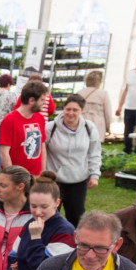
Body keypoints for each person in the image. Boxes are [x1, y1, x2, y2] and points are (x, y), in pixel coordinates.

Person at [45, 94, 102, 229]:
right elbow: (41, 152)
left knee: (76, 217)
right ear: (63, 109)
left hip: (78, 180)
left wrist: (94, 175)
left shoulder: (89, 128)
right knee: (50, 215)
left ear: (82, 111)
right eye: (68, 109)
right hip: (54, 181)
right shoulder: (50, 128)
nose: (71, 113)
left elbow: (94, 152)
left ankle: (77, 244)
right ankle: (49, 243)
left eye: (75, 110)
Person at [0, 79, 48, 176]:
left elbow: (42, 146)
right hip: (17, 178)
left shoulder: (40, 118)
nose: (44, 103)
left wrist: (43, 171)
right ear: (31, 100)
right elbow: (3, 152)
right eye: (42, 100)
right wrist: (12, 178)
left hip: (35, 176)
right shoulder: (9, 120)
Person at [77, 70, 113, 139]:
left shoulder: (79, 93)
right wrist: (108, 127)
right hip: (98, 124)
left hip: (81, 123)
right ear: (99, 81)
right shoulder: (103, 94)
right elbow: (108, 113)